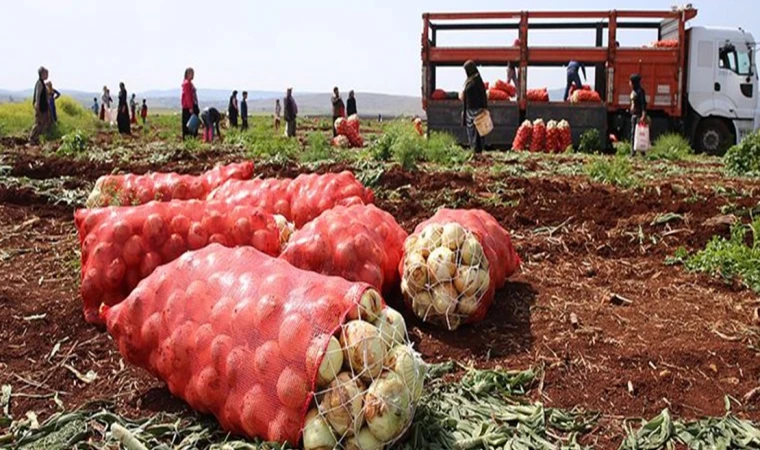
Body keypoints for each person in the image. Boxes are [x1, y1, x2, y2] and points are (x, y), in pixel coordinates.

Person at [462, 60, 488, 153]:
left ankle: (477, 151)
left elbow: (483, 96)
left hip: (476, 111)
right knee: (472, 132)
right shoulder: (472, 80)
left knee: (477, 132)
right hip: (470, 110)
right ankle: (474, 150)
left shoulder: (476, 81)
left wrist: (484, 109)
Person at [29, 66, 50, 144]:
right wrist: (37, 105)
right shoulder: (39, 83)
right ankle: (32, 137)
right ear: (42, 74)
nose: (47, 75)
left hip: (43, 106)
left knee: (43, 122)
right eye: (46, 73)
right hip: (39, 106)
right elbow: (38, 95)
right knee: (38, 122)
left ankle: (36, 138)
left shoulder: (42, 83)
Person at [629, 73, 647, 156]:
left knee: (639, 133)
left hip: (639, 115)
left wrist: (643, 115)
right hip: (634, 115)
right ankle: (633, 152)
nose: (629, 83)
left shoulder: (640, 91)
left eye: (630, 82)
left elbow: (643, 104)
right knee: (633, 134)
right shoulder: (634, 91)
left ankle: (642, 151)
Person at [181, 67, 199, 139]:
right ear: (188, 74)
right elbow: (188, 96)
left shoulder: (190, 83)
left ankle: (192, 137)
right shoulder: (187, 83)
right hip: (188, 107)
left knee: (193, 123)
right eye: (192, 73)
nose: (193, 75)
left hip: (192, 105)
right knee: (189, 124)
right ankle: (189, 138)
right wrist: (191, 107)